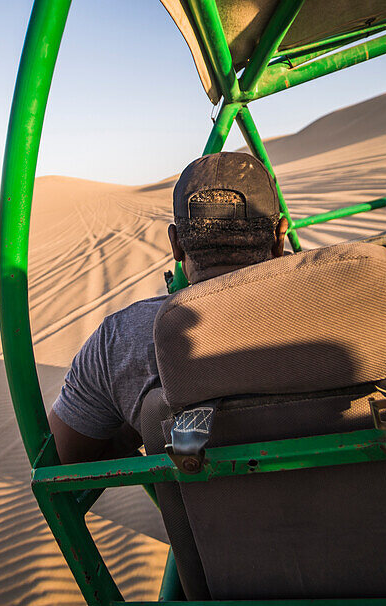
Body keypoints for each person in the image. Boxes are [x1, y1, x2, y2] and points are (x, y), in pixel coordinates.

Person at [49, 152, 288, 464]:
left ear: (175, 244)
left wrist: (145, 423)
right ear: (280, 237)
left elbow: (62, 462)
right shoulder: (351, 303)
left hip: (206, 512)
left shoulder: (118, 342)